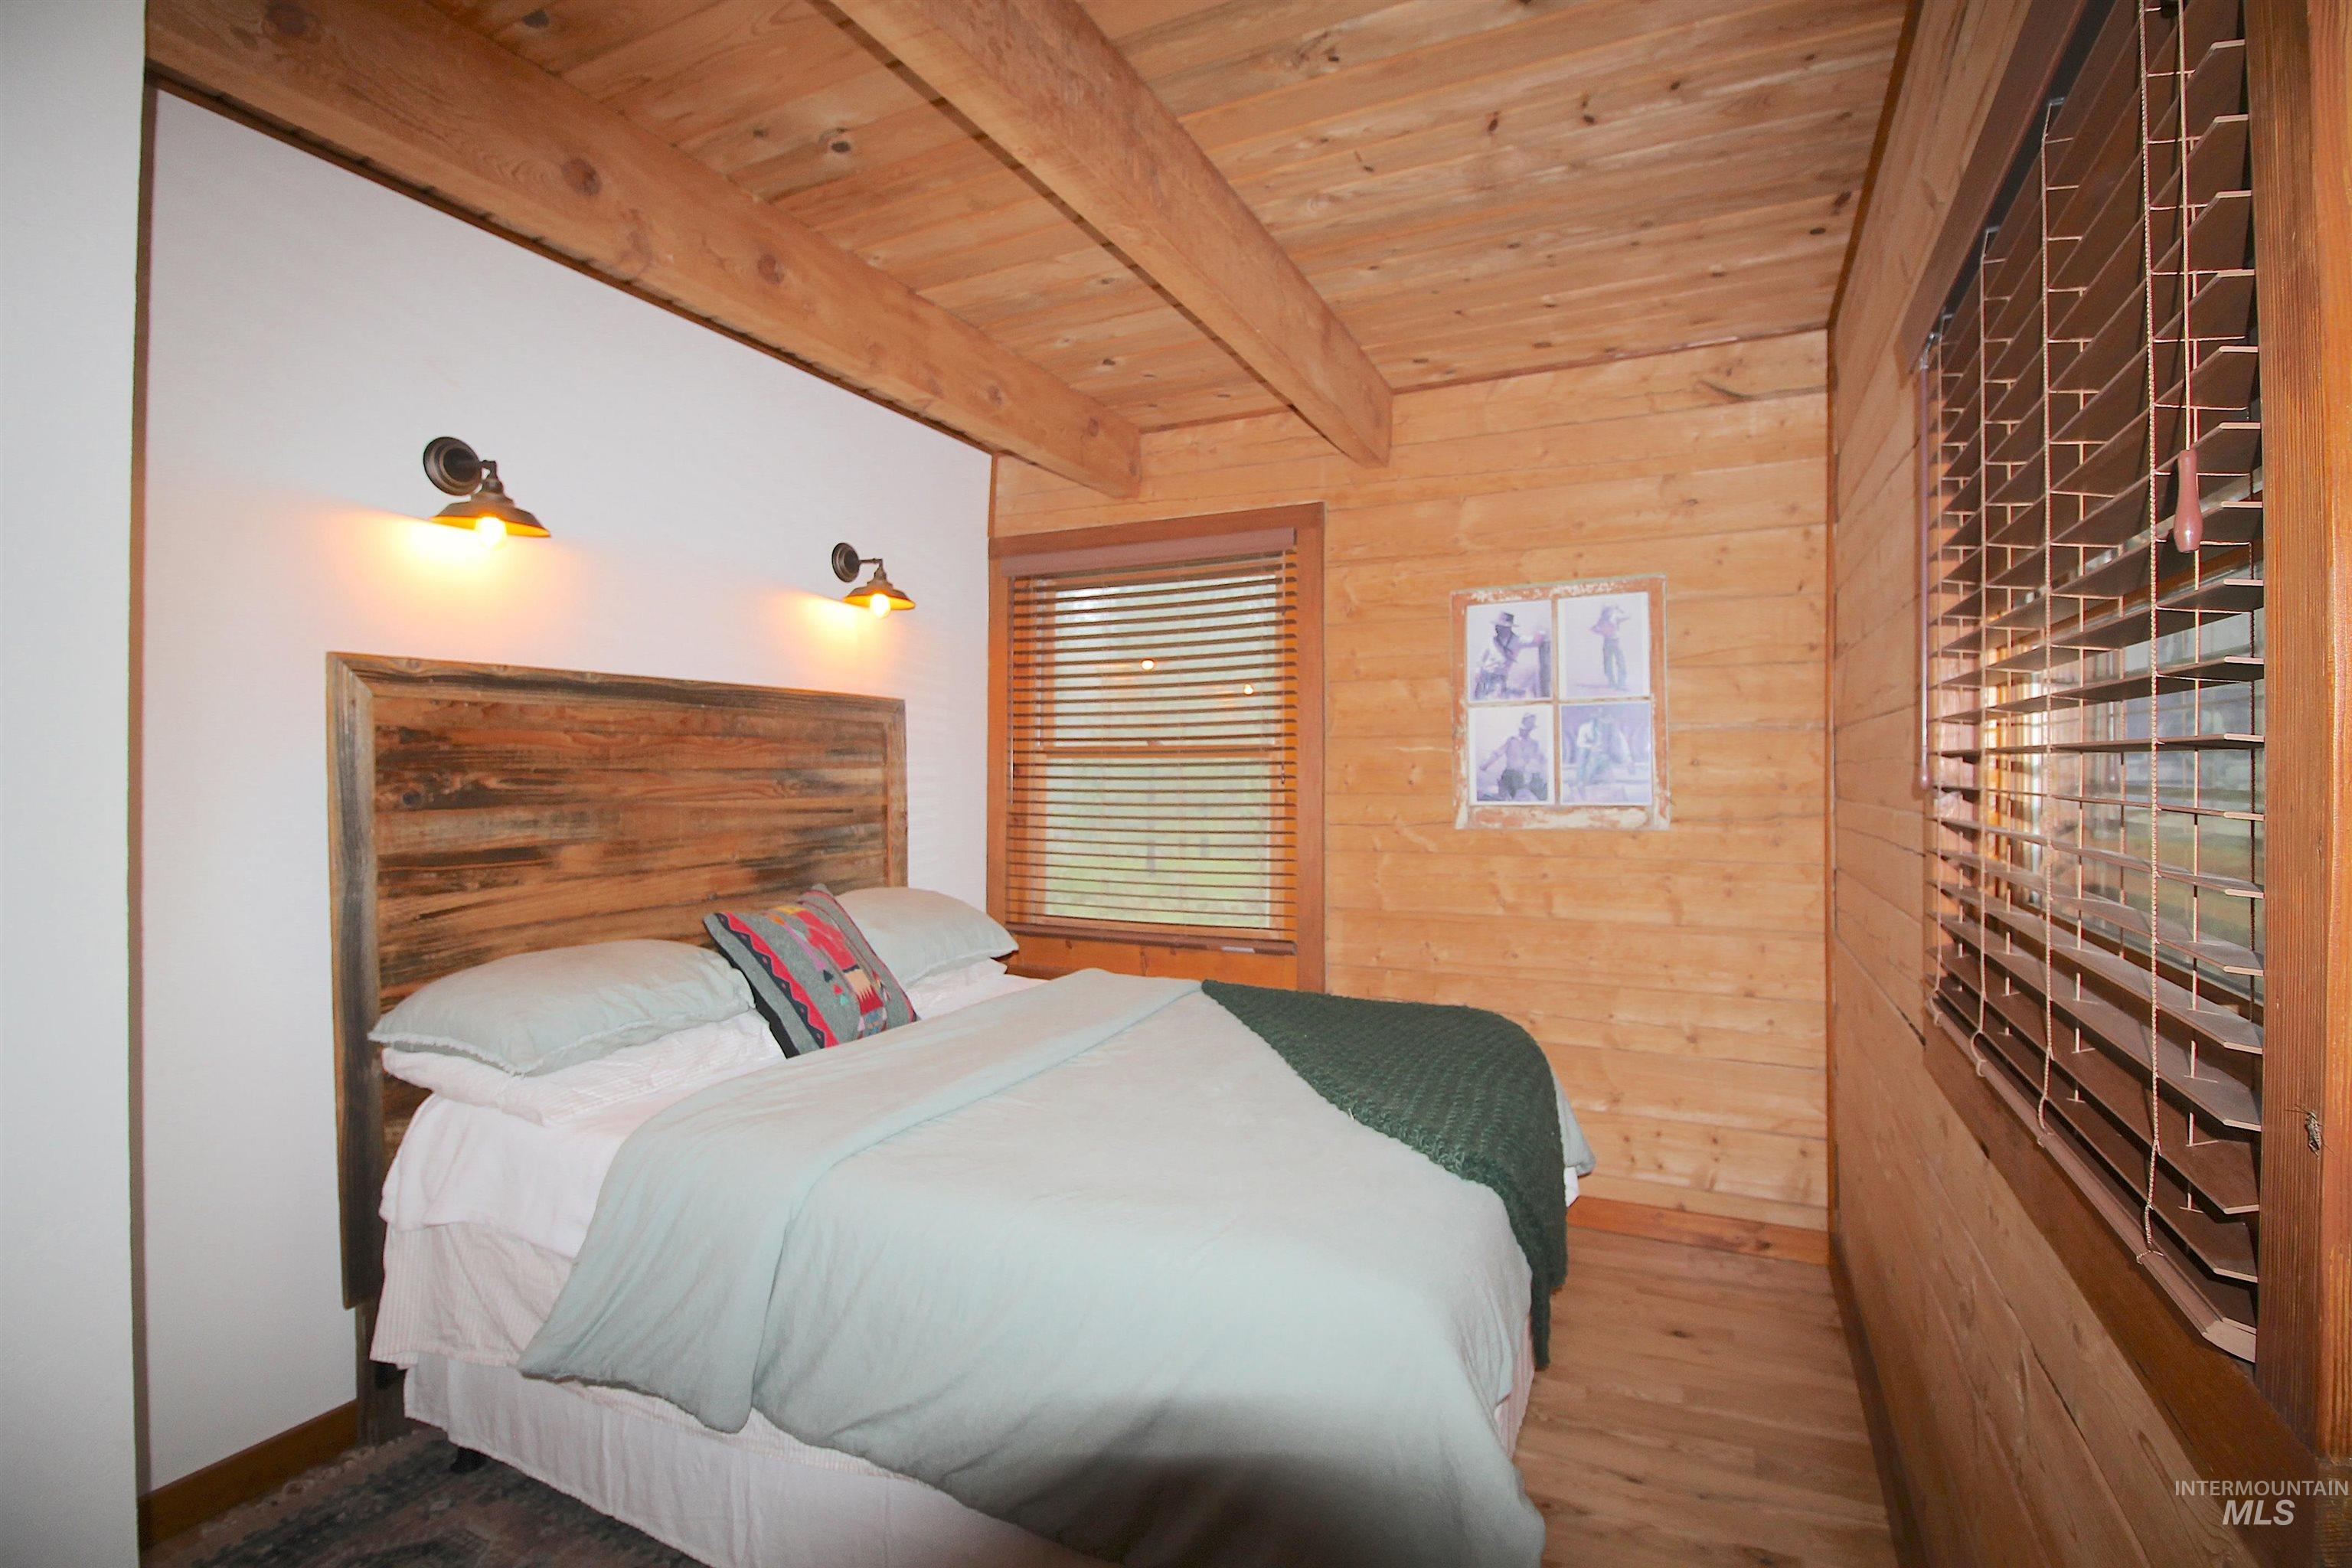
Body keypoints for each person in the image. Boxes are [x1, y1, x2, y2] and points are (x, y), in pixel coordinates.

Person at [1481, 713, 1547, 802]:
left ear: (1531, 729)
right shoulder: (1511, 740)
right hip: (1508, 775)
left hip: (1521, 778)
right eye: (1522, 728)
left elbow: (1542, 759)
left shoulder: (1533, 744)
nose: (1524, 730)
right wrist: (1485, 765)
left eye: (1528, 728)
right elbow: (1497, 754)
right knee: (1504, 799)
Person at [1474, 612, 1521, 700]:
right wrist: (1478, 670)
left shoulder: (1516, 641)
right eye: (1498, 625)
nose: (1497, 628)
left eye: (1501, 626)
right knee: (1481, 698)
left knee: (1496, 697)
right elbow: (1481, 658)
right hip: (1485, 675)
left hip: (1499, 678)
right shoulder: (1490, 641)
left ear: (1508, 628)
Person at [1593, 603, 1630, 691]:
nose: (1608, 612)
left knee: (1619, 662)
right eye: (1607, 611)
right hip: (1608, 642)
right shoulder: (1603, 619)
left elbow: (1628, 616)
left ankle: (1621, 683)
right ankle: (1612, 683)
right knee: (1608, 663)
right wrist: (1600, 631)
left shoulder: (1615, 617)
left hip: (1615, 642)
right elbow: (1596, 628)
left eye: (1609, 610)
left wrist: (1620, 609)